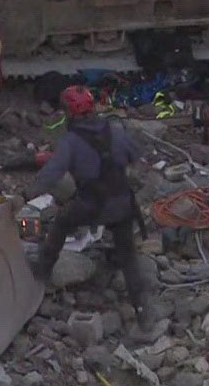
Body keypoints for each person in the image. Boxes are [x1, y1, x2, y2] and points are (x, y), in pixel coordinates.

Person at [25, 85, 156, 324]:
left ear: (70, 113)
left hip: (93, 206)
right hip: (123, 204)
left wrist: (27, 193)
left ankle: (42, 271)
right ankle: (142, 311)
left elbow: (52, 173)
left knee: (62, 221)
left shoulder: (71, 141)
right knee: (128, 254)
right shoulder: (115, 130)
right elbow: (136, 154)